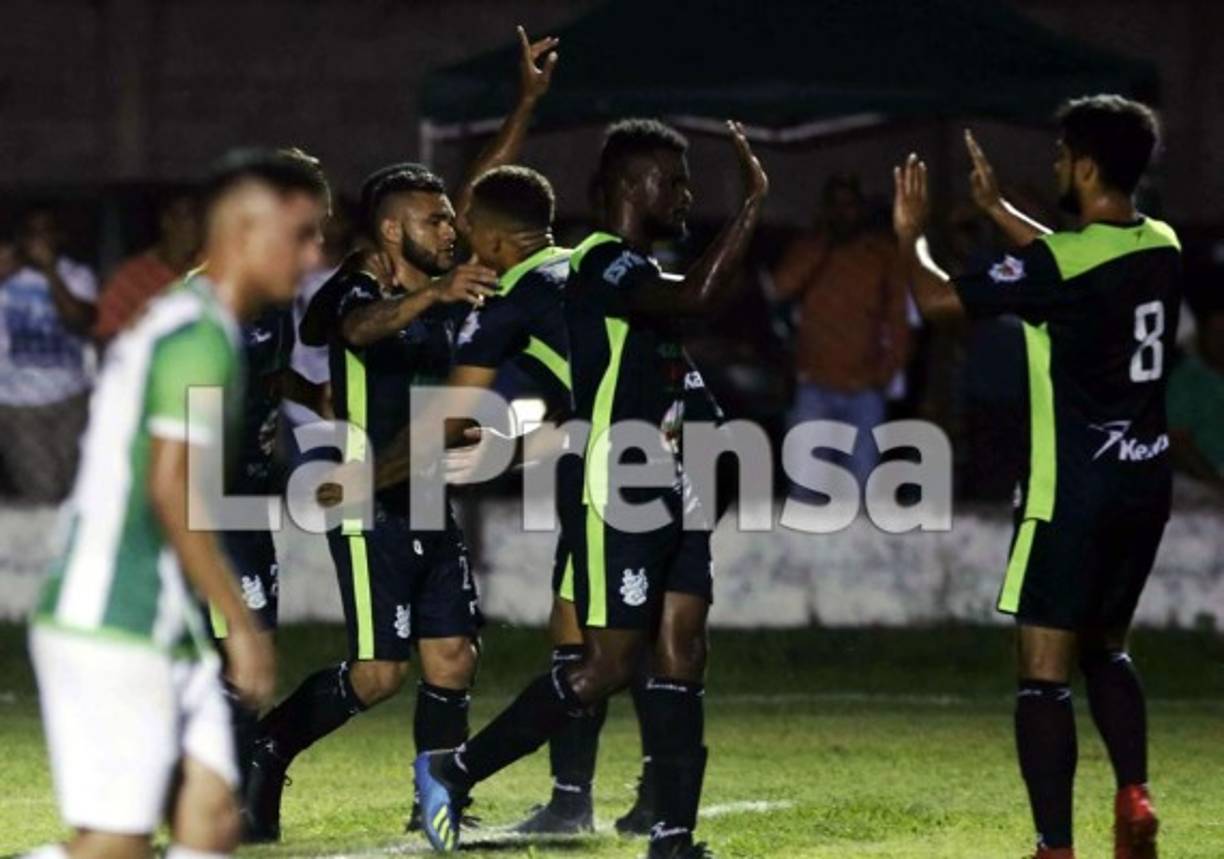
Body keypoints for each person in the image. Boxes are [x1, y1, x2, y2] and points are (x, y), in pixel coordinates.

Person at [414, 118, 768, 858]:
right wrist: (751, 202)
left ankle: (672, 837)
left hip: (670, 482)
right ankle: (458, 768)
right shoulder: (605, 262)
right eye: (674, 181)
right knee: (605, 663)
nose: (685, 194)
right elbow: (698, 295)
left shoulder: (630, 266)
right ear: (633, 186)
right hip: (620, 484)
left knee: (684, 649)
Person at [241, 27, 559, 843]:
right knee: (380, 672)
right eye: (434, 222)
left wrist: (524, 104)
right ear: (392, 233)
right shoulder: (356, 285)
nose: (452, 230)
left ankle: (437, 801)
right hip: (365, 497)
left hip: (427, 492)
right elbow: (357, 331)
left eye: (453, 222)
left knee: (453, 656)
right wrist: (436, 294)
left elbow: (482, 185)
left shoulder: (446, 278)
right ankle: (272, 744)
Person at [892, 96, 1177, 859]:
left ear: (1085, 166)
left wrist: (911, 239)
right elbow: (1077, 265)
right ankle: (1134, 797)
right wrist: (1000, 210)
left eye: (1059, 156)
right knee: (1107, 649)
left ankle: (1054, 847)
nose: (1054, 165)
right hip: (1145, 486)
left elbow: (940, 302)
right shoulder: (1162, 245)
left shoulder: (1061, 266)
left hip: (1072, 493)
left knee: (1043, 675)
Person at [21, 147, 325, 859]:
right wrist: (243, 626)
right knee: (113, 845)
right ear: (245, 232)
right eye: (302, 233)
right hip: (113, 613)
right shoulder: (196, 335)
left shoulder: (200, 321)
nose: (315, 254)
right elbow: (170, 486)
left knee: (213, 813)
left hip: (163, 617)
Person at [771, 174, 908, 495]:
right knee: (806, 489)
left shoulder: (881, 254)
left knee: (859, 489)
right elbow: (780, 287)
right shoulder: (809, 248)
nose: (843, 213)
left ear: (860, 209)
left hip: (864, 390)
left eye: (849, 206)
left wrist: (886, 373)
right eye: (836, 206)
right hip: (813, 386)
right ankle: (805, 547)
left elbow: (900, 319)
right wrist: (823, 247)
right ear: (825, 210)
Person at [0, 208, 99, 504]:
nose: (39, 240)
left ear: (59, 237)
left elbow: (80, 323)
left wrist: (51, 272)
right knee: (43, 493)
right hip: (17, 406)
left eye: (46, 232)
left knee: (76, 491)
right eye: (32, 232)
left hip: (70, 400)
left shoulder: (76, 274)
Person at [94, 189, 201, 345]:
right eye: (189, 216)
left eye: (201, 217)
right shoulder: (131, 277)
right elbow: (106, 337)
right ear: (167, 221)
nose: (197, 224)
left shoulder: (211, 271)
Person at [1167, 284, 1224, 497]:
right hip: (1199, 480)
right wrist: (1215, 483)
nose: (1222, 342)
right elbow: (1178, 442)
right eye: (1217, 333)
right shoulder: (1187, 378)